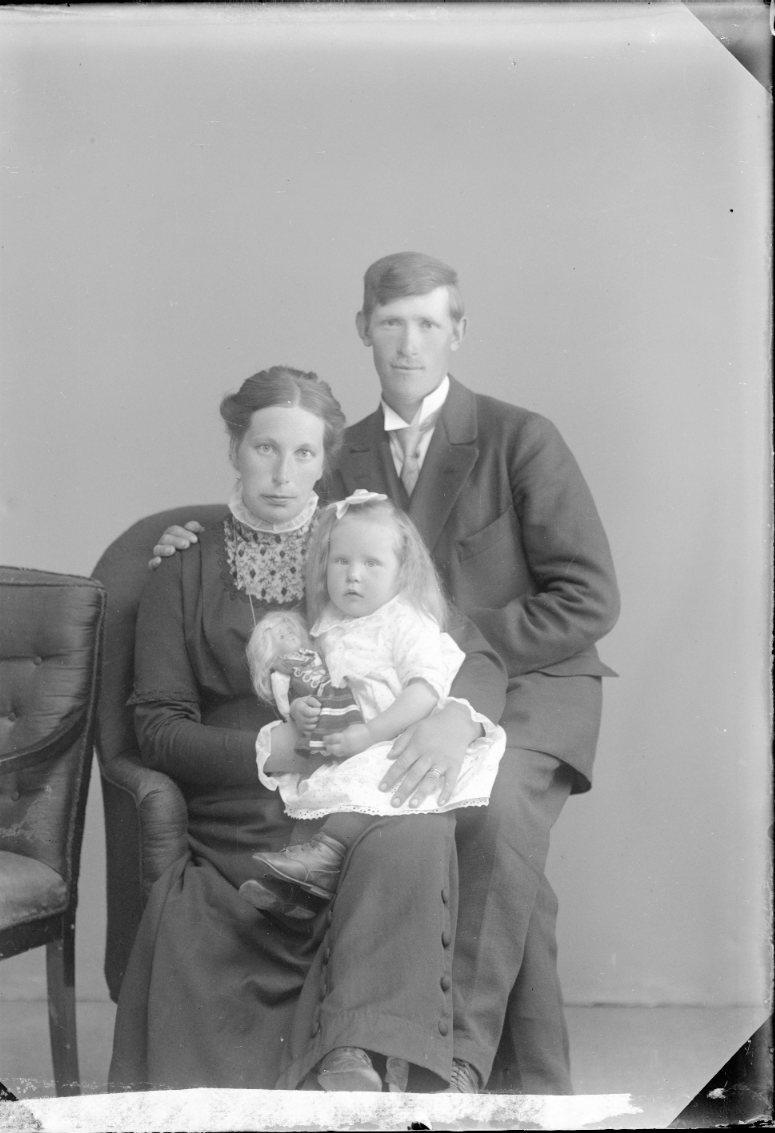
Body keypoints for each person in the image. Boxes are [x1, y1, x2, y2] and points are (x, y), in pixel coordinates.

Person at [152, 251, 620, 1095]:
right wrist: (188, 538)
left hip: (530, 684)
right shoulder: (343, 455)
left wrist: (446, 676)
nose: (409, 344)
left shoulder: (519, 437)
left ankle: (457, 1068)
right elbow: (286, 516)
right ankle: (514, 1076)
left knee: (493, 816)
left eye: (429, 323)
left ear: (457, 331)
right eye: (392, 323)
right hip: (400, 689)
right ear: (363, 329)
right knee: (422, 826)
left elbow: (588, 598)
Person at [108, 365, 508, 1095]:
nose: (283, 474)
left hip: (363, 780)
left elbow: (465, 654)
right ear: (235, 448)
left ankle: (357, 1057)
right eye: (265, 448)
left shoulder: (359, 546)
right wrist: (273, 748)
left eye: (303, 453)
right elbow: (158, 729)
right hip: (246, 802)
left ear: (326, 460)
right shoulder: (182, 567)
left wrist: (455, 716)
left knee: (417, 829)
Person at [239, 490, 506, 918]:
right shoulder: (329, 624)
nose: (353, 576)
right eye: (341, 561)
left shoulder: (407, 621)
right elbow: (321, 682)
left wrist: (370, 733)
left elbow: (424, 692)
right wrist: (304, 710)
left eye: (371, 563)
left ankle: (323, 858)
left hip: (398, 735)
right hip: (350, 737)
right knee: (324, 792)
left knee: (362, 785)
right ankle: (301, 900)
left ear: (403, 571)